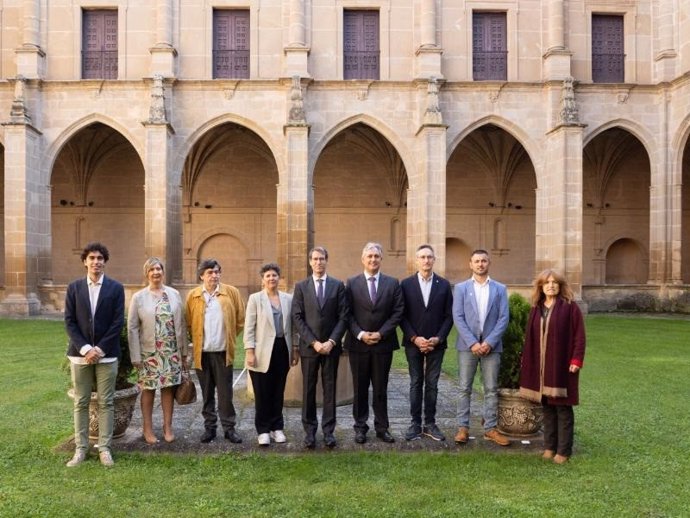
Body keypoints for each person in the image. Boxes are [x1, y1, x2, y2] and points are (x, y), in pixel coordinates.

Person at [64, 242, 125, 467]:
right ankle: (81, 449)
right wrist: (85, 349)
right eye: (92, 258)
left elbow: (118, 321)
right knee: (81, 402)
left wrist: (99, 349)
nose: (96, 262)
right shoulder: (74, 288)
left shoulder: (116, 288)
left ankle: (105, 449)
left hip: (106, 355)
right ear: (85, 261)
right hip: (80, 355)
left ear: (105, 262)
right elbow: (69, 322)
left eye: (100, 258)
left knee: (106, 402)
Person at [519, 270, 586, 464]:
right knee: (547, 408)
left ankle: (563, 451)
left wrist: (576, 360)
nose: (551, 285)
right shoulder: (536, 308)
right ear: (540, 286)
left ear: (560, 285)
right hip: (541, 367)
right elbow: (530, 337)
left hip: (562, 365)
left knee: (563, 408)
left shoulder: (570, 307)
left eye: (555, 282)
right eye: (546, 282)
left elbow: (579, 337)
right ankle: (549, 446)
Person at [345, 242, 404, 444]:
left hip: (383, 344)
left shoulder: (392, 283)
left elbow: (398, 312)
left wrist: (381, 333)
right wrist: (361, 334)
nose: (373, 259)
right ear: (363, 259)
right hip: (358, 345)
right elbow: (347, 313)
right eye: (369, 256)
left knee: (381, 388)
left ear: (381, 259)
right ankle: (360, 427)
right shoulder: (351, 283)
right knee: (359, 388)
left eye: (376, 256)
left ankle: (382, 427)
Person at [292, 247, 349, 449]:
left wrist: (331, 342)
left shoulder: (337, 286)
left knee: (330, 389)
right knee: (308, 390)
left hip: (331, 348)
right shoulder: (301, 286)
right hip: (310, 348)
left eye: (322, 259)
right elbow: (297, 317)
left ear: (327, 260)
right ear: (310, 262)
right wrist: (314, 343)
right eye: (315, 259)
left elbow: (343, 317)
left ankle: (328, 431)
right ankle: (309, 432)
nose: (318, 262)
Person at [452, 249, 510, 446]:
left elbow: (504, 318)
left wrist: (489, 342)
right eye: (476, 261)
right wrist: (473, 343)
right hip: (468, 346)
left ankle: (490, 429)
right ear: (470, 264)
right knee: (464, 388)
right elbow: (458, 317)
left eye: (483, 261)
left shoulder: (500, 289)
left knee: (491, 389)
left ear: (489, 263)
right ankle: (463, 427)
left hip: (491, 347)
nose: (480, 264)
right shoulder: (460, 288)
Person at [127, 258, 188, 444]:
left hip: (171, 350)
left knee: (168, 389)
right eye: (152, 269)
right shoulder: (138, 297)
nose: (156, 272)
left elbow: (182, 324)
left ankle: (167, 427)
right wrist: (136, 356)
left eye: (158, 269)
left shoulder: (174, 294)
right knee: (149, 390)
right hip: (149, 352)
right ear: (147, 274)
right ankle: (147, 428)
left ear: (163, 271)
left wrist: (184, 352)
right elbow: (132, 328)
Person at [186, 259, 245, 444]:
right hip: (201, 353)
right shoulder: (193, 296)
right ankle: (209, 428)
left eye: (217, 272)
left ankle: (229, 429)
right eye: (210, 272)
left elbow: (240, 320)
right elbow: (188, 323)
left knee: (226, 394)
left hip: (222, 352)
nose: (214, 275)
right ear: (201, 275)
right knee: (206, 393)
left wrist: (228, 337)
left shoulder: (231, 293)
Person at [400, 244, 453, 442]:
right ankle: (415, 423)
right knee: (415, 382)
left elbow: (449, 316)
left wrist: (438, 338)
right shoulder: (405, 284)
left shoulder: (444, 285)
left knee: (432, 384)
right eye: (422, 257)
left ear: (434, 260)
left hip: (436, 344)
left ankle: (430, 423)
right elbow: (401, 315)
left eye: (429, 257)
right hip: (413, 342)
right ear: (416, 260)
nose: (426, 260)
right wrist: (415, 338)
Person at [244, 263, 299, 446]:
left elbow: (293, 327)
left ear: (279, 278)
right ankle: (263, 430)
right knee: (262, 392)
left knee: (278, 390)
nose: (271, 278)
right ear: (263, 279)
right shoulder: (255, 299)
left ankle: (277, 428)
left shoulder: (288, 299)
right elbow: (249, 327)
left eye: (274, 275)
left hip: (282, 349)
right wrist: (250, 351)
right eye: (268, 275)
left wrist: (295, 349)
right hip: (260, 352)